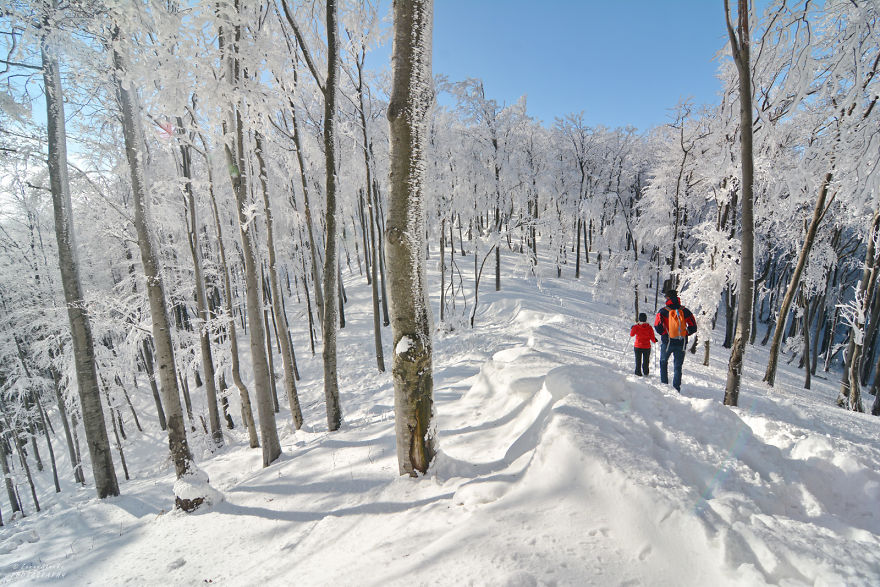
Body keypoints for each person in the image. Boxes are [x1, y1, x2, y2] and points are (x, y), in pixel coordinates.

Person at [654, 289, 697, 392]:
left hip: (667, 342)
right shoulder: (685, 311)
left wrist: (664, 333)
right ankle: (676, 389)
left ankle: (664, 386)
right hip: (681, 343)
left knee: (663, 362)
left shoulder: (663, 311)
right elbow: (693, 327)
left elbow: (657, 326)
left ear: (668, 298)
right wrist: (685, 333)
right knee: (678, 366)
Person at [630, 312, 656, 376]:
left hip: (638, 346)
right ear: (646, 319)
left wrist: (632, 328)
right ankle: (646, 371)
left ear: (639, 319)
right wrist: (654, 340)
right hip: (646, 346)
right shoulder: (649, 327)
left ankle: (638, 372)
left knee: (638, 359)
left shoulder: (636, 326)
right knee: (646, 360)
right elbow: (652, 337)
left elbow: (631, 334)